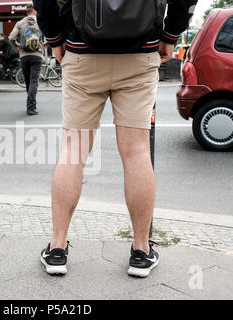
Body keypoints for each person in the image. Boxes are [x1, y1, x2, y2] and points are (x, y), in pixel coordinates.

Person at [34, 0, 198, 277]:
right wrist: (171, 35)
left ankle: (57, 249)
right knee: (136, 153)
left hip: (81, 50)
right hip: (140, 51)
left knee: (73, 151)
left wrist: (55, 38)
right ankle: (141, 252)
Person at [9, 4, 43, 116]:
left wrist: (18, 45)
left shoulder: (20, 23)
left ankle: (31, 105)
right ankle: (31, 107)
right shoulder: (40, 22)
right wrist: (45, 44)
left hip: (24, 55)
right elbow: (50, 35)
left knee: (28, 81)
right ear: (35, 12)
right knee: (34, 81)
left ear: (26, 12)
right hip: (37, 55)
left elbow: (11, 38)